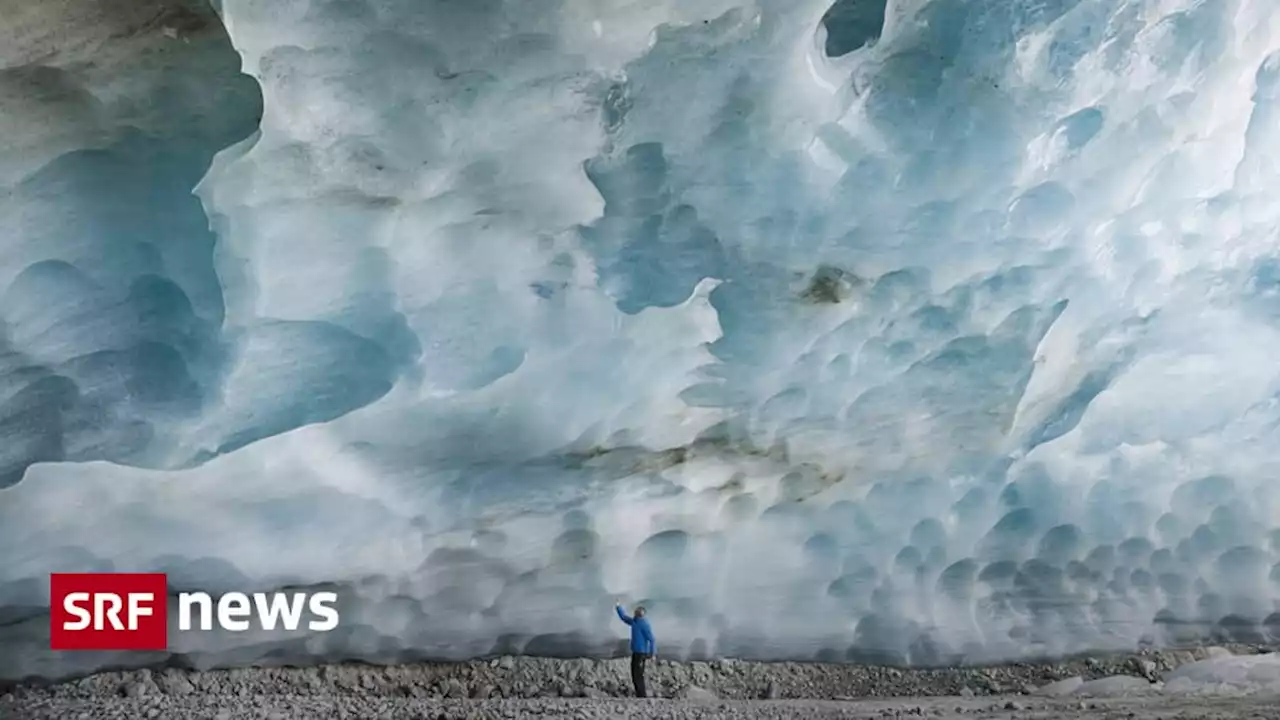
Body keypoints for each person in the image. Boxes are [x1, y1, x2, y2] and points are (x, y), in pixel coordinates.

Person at [615, 601, 655, 698]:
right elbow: (624, 617)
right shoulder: (635, 621)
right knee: (635, 674)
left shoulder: (644, 624)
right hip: (635, 652)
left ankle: (642, 695)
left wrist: (653, 653)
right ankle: (639, 694)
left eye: (638, 612)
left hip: (642, 653)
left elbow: (652, 639)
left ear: (642, 614)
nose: (636, 613)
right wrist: (618, 607)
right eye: (637, 612)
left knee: (638, 674)